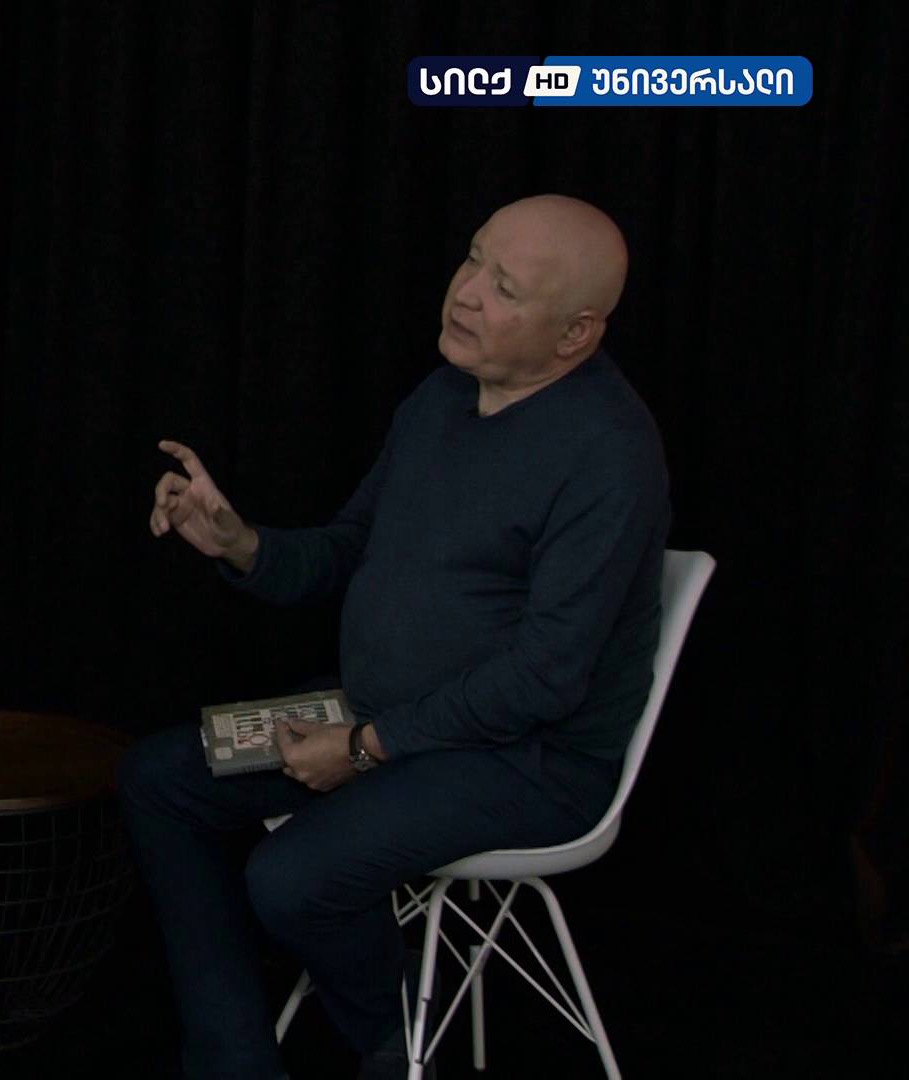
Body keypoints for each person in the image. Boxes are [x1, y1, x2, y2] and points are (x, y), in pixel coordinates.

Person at [120, 194, 669, 1079]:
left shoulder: (609, 455)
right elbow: (349, 549)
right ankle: (233, 1062)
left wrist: (365, 747)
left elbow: (546, 679)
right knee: (159, 780)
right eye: (473, 258)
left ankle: (396, 1038)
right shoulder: (444, 394)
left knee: (292, 877)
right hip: (386, 715)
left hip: (525, 758)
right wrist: (240, 543)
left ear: (575, 334)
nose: (466, 293)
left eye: (505, 288)